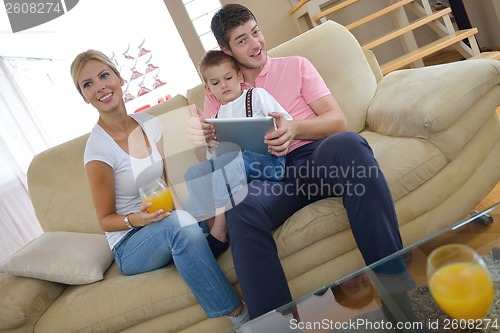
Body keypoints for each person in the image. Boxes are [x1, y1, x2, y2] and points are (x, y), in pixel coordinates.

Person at [187, 4, 408, 321]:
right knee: (240, 206)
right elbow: (213, 157)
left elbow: (337, 120)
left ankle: (399, 296)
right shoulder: (219, 88)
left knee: (348, 144)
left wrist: (294, 128)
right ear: (226, 50)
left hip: (314, 158)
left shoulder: (296, 66)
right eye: (242, 40)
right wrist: (202, 139)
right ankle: (275, 328)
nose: (255, 43)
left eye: (256, 32)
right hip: (267, 179)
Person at [70, 49, 248, 327]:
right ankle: (240, 316)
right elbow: (105, 220)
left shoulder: (150, 124)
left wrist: (194, 217)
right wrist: (138, 219)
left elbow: (164, 186)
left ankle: (212, 248)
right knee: (181, 226)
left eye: (104, 75)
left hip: (163, 219)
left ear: (118, 78)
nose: (100, 87)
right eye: (88, 84)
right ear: (84, 97)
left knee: (205, 203)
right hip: (130, 243)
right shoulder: (98, 151)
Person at [184, 50, 292, 254]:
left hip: (269, 164)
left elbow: (287, 122)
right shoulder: (215, 118)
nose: (223, 85)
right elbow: (213, 161)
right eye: (215, 83)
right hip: (235, 173)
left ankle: (220, 229)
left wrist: (278, 128)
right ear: (208, 89)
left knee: (230, 156)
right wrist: (209, 143)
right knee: (194, 173)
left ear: (239, 76)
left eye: (228, 78)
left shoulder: (257, 96)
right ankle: (214, 226)